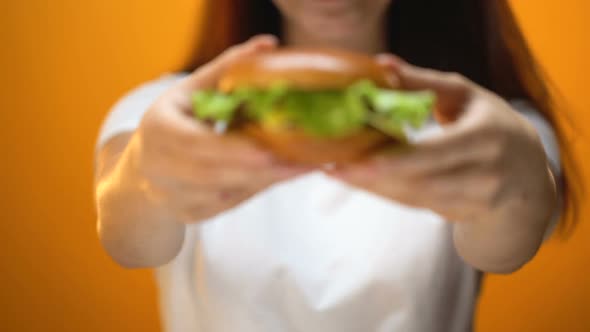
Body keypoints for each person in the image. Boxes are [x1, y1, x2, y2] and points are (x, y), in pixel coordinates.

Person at [94, 1, 575, 331]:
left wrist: (520, 179)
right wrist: (142, 173)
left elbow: (507, 243)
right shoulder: (165, 109)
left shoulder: (487, 126)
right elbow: (128, 236)